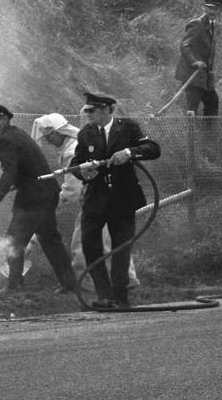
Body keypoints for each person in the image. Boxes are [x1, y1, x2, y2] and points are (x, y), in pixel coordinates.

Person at [27, 113, 141, 290]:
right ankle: (128, 279)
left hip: (96, 201)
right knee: (111, 241)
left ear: (59, 132)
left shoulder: (72, 151)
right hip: (108, 197)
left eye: (50, 137)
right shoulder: (76, 145)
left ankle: (86, 284)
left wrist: (52, 203)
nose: (49, 141)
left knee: (81, 242)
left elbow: (73, 191)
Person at [69, 93, 160, 308]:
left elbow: (153, 149)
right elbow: (76, 164)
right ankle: (104, 295)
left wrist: (129, 152)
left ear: (108, 109)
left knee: (121, 249)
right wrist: (85, 172)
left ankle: (120, 297)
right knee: (91, 246)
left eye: (92, 110)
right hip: (95, 200)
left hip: (123, 199)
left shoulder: (128, 128)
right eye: (87, 111)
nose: (88, 114)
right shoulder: (86, 134)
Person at [0, 102, 77, 293]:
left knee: (13, 241)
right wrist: (15, 184)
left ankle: (14, 286)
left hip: (34, 197)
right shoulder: (17, 134)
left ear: (4, 119)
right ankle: (70, 284)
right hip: (46, 192)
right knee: (50, 240)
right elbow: (25, 168)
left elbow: (9, 172)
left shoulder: (5, 140)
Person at [175, 0, 222, 116]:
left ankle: (206, 133)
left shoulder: (213, 26)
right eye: (209, 7)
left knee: (213, 103)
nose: (212, 11)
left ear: (219, 11)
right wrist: (194, 61)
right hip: (192, 75)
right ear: (204, 8)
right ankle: (190, 135)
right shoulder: (197, 24)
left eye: (215, 8)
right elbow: (185, 45)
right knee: (192, 110)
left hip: (204, 78)